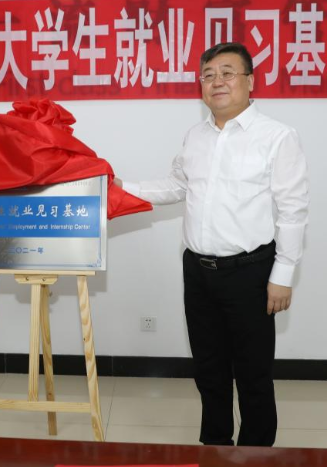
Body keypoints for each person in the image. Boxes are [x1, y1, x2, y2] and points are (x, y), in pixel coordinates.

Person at [117, 42, 309, 446]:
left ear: (250, 81)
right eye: (208, 75)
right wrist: (121, 189)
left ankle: (255, 453)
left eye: (227, 73)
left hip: (250, 273)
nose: (217, 81)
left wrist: (283, 274)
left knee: (253, 373)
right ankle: (216, 448)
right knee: (208, 370)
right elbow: (176, 186)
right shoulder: (195, 136)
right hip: (198, 271)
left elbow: (293, 211)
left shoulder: (277, 137)